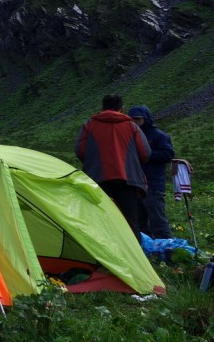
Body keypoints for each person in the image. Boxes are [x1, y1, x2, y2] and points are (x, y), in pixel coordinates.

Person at [75, 94, 151, 241]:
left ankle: (100, 258)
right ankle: (136, 259)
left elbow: (80, 150)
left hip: (98, 179)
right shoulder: (131, 126)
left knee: (99, 219)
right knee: (130, 221)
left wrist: (93, 162)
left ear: (102, 108)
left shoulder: (89, 124)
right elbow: (145, 153)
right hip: (127, 180)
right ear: (122, 109)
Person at [127, 106, 175, 239]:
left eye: (138, 119)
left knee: (157, 220)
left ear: (146, 119)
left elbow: (168, 154)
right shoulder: (131, 135)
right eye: (132, 119)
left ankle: (166, 249)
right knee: (139, 221)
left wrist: (146, 154)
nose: (135, 122)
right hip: (136, 184)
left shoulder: (159, 135)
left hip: (153, 184)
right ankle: (147, 250)